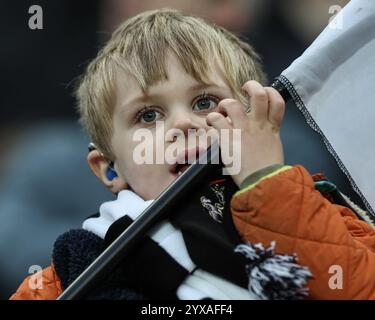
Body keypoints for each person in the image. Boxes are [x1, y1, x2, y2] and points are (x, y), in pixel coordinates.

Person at [10, 9, 375, 300]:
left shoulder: (321, 213)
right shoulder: (68, 274)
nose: (184, 124)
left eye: (205, 102)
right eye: (148, 115)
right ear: (108, 169)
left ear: (256, 124)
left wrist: (268, 186)